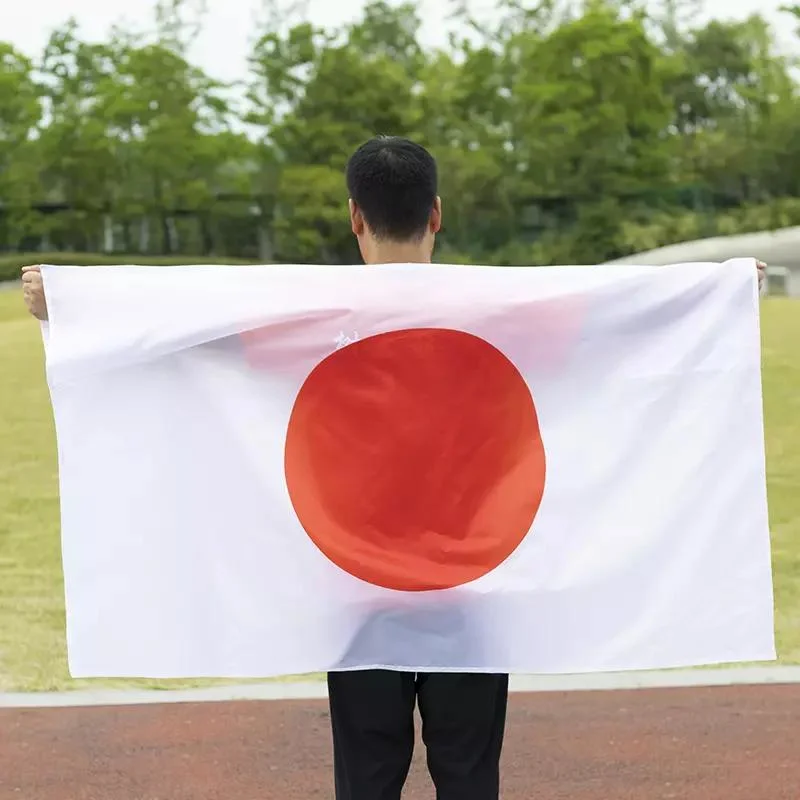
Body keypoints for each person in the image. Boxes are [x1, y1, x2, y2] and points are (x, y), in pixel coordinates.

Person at [21, 136, 769, 800]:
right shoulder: (501, 308)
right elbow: (620, 319)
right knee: (470, 777)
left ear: (354, 216)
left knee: (368, 779)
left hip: (356, 585)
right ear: (437, 213)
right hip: (474, 584)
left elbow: (196, 322)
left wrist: (78, 301)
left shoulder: (309, 311)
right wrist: (727, 289)